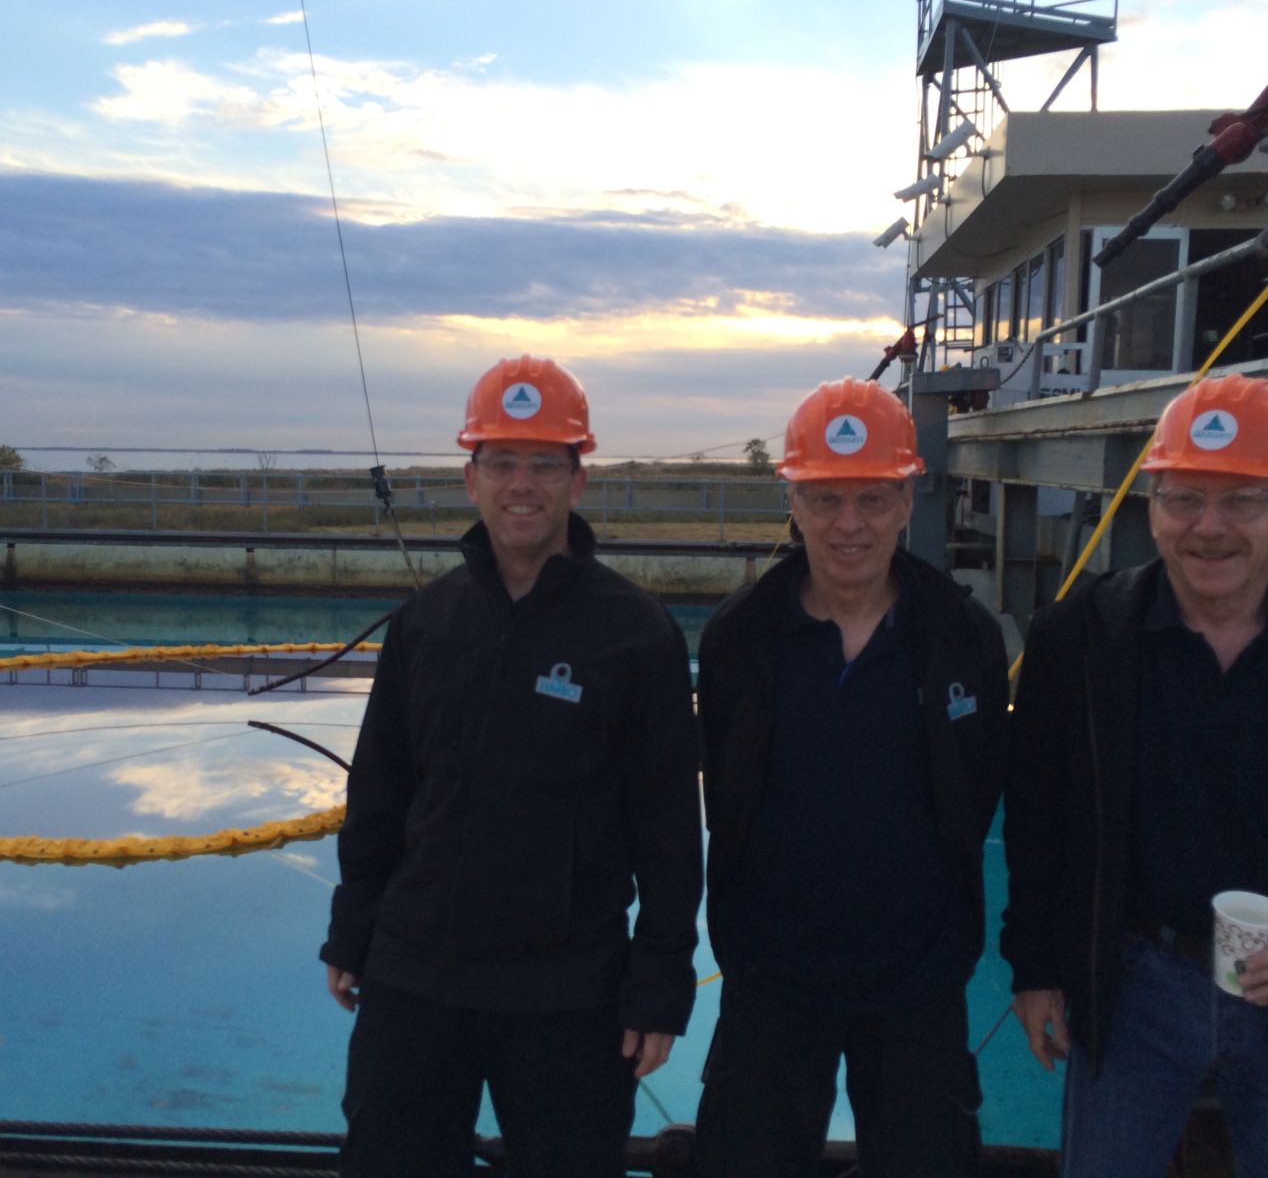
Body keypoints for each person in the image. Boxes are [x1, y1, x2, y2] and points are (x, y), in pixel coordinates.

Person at [1001, 374, 1268, 1178]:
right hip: (1133, 990)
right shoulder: (1077, 643)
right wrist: (1038, 968)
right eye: (1185, 498)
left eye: (1243, 501)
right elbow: (1039, 822)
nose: (1209, 528)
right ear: (1152, 508)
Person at [319, 355, 703, 1178]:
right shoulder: (425, 622)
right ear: (470, 478)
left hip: (568, 995)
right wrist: (354, 928)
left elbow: (669, 829)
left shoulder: (635, 635)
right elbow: (379, 792)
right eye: (501, 463)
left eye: (542, 464)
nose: (520, 484)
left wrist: (659, 981)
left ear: (577, 480)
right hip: (416, 980)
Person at [695, 377, 1009, 1178]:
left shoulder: (960, 635)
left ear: (908, 498)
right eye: (826, 499)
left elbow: (979, 792)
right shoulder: (741, 640)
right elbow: (721, 794)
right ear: (793, 501)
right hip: (771, 979)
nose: (849, 526)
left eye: (872, 499)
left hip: (918, 982)